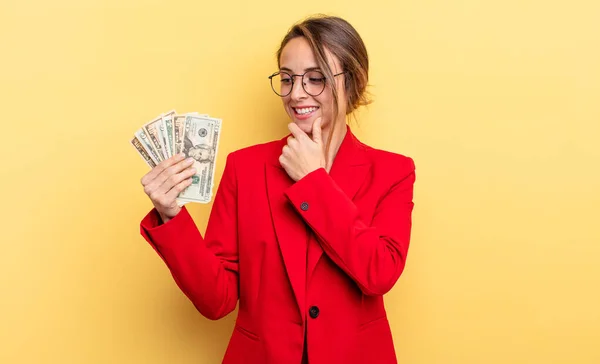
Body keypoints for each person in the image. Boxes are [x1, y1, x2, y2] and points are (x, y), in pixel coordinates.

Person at [139, 14, 416, 364]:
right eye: (287, 79)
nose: (296, 93)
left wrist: (314, 181)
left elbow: (379, 272)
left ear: (352, 83)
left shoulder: (393, 171)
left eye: (315, 79)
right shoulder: (245, 168)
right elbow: (217, 301)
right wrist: (171, 215)